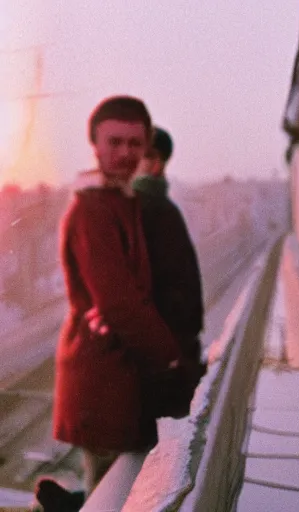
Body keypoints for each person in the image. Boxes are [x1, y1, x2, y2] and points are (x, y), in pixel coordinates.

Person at [34, 96, 188, 510]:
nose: (125, 153)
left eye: (135, 144)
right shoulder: (93, 211)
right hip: (102, 378)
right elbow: (119, 302)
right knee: (111, 495)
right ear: (94, 144)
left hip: (115, 374)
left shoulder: (120, 201)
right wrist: (172, 358)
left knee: (113, 489)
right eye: (114, 142)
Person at [132, 127, 205, 372]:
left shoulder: (152, 208)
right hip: (168, 342)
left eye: (160, 158)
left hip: (164, 343)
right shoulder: (158, 209)